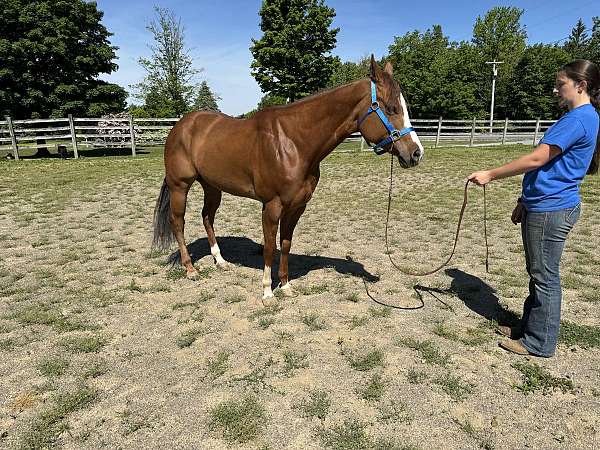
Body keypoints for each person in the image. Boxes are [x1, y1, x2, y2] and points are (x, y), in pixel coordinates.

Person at [468, 59, 600, 357]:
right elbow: (551, 168)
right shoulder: (583, 117)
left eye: (561, 84)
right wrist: (524, 201)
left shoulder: (578, 119)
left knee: (544, 275)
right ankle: (530, 327)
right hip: (544, 205)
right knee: (538, 271)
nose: (555, 90)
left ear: (581, 85)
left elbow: (537, 159)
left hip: (551, 210)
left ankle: (539, 342)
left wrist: (490, 174)